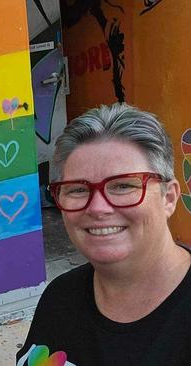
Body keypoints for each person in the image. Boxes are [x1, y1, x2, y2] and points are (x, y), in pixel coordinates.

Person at [17, 103, 191, 366]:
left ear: (169, 197)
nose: (97, 207)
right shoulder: (61, 298)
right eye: (77, 189)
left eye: (123, 185)